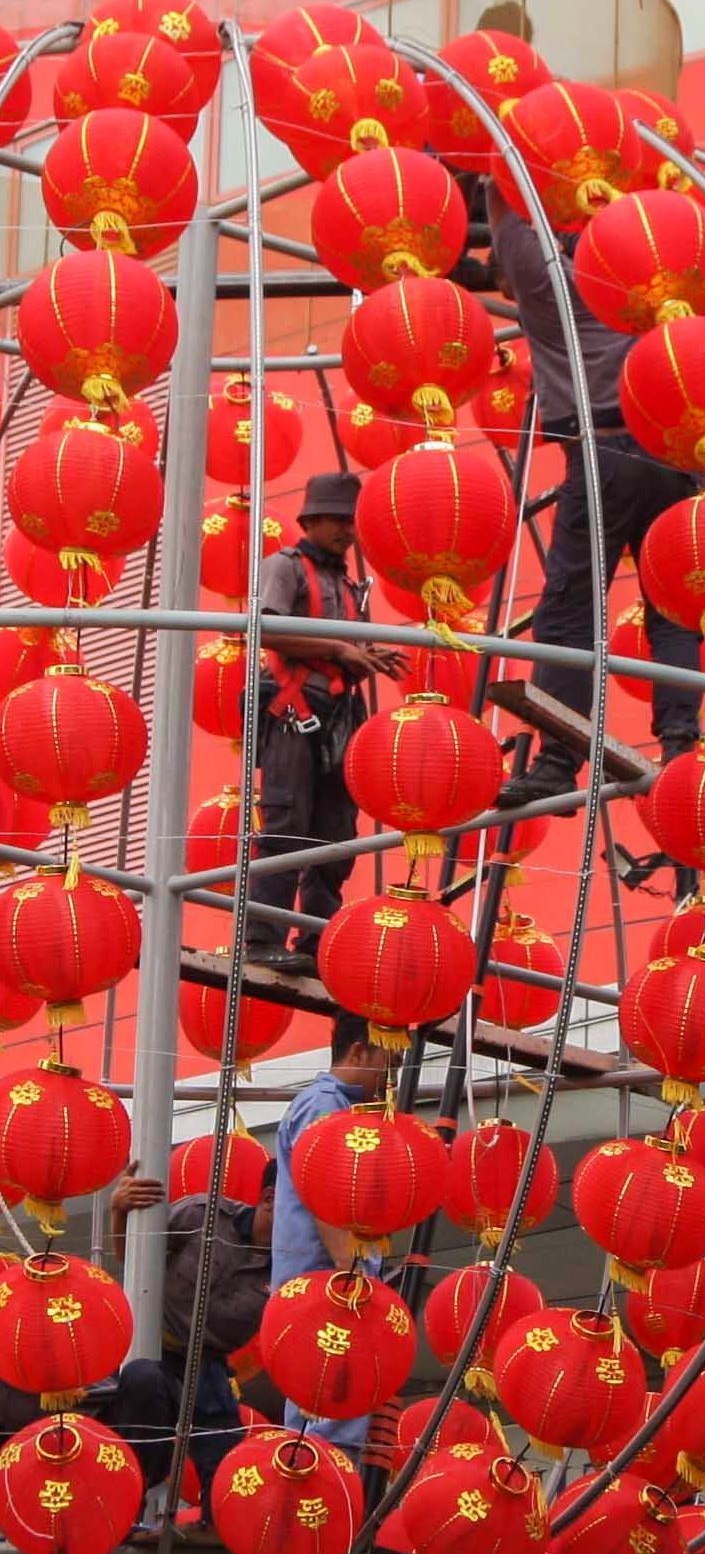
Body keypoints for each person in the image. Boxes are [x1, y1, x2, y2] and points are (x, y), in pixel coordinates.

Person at [486, 181, 702, 812]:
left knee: (570, 611)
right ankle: (681, 738)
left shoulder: (546, 284)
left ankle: (558, 757)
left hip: (602, 451)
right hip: (674, 456)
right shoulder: (644, 288)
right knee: (672, 606)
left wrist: (496, 174)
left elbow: (505, 221)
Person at [245, 471, 406, 977]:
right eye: (338, 519)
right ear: (310, 519)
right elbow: (267, 628)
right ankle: (261, 936)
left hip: (338, 717)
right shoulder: (284, 567)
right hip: (294, 713)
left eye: (350, 521)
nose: (347, 531)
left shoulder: (347, 583)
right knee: (287, 826)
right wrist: (338, 648)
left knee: (335, 833)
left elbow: (344, 650)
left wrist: (363, 656)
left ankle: (317, 939)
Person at [95, 1157, 277, 1525]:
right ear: (271, 1198)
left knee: (224, 1462)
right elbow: (131, 1257)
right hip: (151, 1346)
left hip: (209, 1365)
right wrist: (120, 1211)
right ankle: (122, 1514)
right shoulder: (203, 1215)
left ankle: (214, 1532)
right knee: (142, 1392)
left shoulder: (293, 1266)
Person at [272, 1011, 388, 1460]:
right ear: (358, 1051)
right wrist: (350, 1270)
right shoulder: (324, 1104)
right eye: (384, 1062)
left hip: (324, 1281)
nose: (387, 1078)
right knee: (329, 1405)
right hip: (328, 1284)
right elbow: (322, 1189)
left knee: (323, 1401)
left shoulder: (339, 1107)